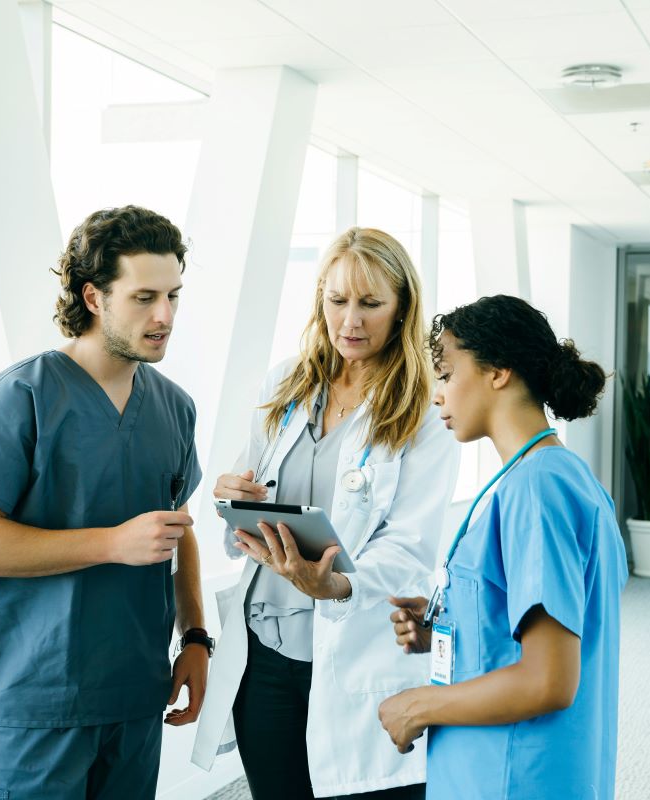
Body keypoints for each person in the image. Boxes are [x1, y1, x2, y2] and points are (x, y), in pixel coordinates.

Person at [0, 206, 210, 799]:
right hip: (32, 710)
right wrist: (113, 543)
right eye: (143, 298)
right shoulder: (21, 397)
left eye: (173, 296)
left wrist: (194, 636)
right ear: (93, 296)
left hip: (136, 698)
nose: (164, 316)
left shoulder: (175, 408)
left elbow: (177, 526)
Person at [192, 228, 460, 799]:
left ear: (403, 307)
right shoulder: (286, 384)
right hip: (267, 653)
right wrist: (233, 493)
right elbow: (251, 483)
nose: (351, 321)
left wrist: (336, 584)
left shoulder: (425, 410)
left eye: (370, 303)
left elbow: (410, 549)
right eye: (337, 300)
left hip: (356, 655)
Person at [380, 294, 629, 800]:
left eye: (447, 375)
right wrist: (443, 630)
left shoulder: (537, 489)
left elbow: (547, 680)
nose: (437, 396)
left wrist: (417, 706)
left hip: (514, 779)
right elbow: (530, 635)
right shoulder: (553, 476)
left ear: (499, 372)